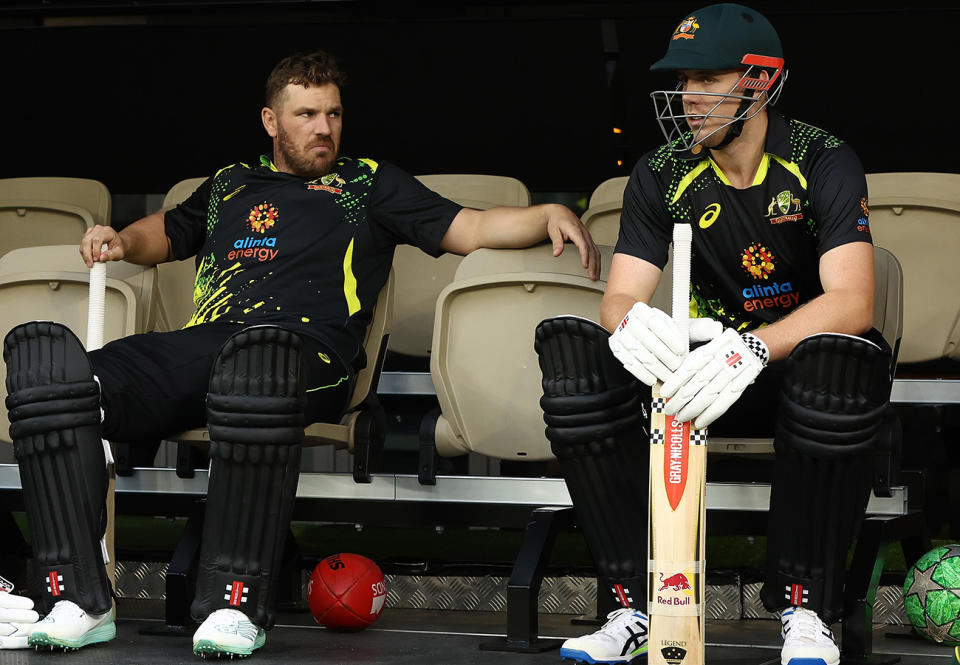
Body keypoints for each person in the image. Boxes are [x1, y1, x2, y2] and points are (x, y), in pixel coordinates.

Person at [1, 50, 600, 658]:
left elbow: (468, 227)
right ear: (270, 121)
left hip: (308, 353)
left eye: (334, 113)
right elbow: (165, 235)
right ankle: (76, 598)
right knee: (51, 376)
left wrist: (546, 212)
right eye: (308, 113)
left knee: (254, 371)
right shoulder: (231, 183)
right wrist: (121, 238)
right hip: (208, 343)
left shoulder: (370, 182)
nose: (324, 127)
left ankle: (235, 604)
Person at [549, 4, 891, 665]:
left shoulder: (822, 158)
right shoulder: (661, 170)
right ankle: (634, 606)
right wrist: (632, 326)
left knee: (837, 363)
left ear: (761, 82)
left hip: (790, 368)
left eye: (707, 79)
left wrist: (757, 343)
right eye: (683, 81)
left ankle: (806, 606)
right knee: (577, 360)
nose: (687, 97)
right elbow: (619, 296)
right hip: (702, 371)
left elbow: (853, 302)